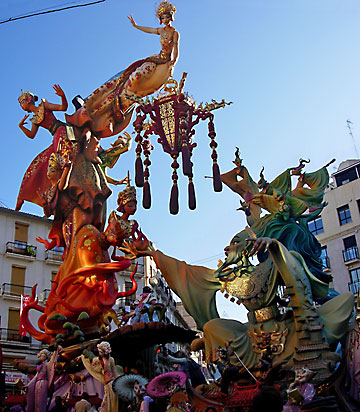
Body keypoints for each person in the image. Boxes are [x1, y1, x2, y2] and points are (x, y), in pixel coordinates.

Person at [66, 1, 179, 138]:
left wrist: (173, 62)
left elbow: (176, 49)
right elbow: (149, 30)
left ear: (171, 17)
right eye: (163, 18)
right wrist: (136, 25)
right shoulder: (160, 31)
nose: (165, 20)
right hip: (155, 58)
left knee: (140, 88)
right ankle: (90, 102)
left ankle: (116, 111)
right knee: (130, 73)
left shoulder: (175, 33)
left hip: (165, 62)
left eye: (167, 17)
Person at [16, 85, 75, 211]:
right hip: (55, 136)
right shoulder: (34, 119)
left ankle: (67, 177)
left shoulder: (44, 105)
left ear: (28, 100)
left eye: (21, 102)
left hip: (61, 130)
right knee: (41, 163)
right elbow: (32, 135)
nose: (21, 105)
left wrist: (63, 96)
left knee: (62, 159)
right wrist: (21, 126)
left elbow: (63, 107)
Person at [81, 342, 122, 412]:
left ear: (105, 352)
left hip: (111, 383)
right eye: (99, 351)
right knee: (106, 403)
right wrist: (82, 357)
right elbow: (94, 367)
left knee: (111, 403)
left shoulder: (111, 359)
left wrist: (119, 381)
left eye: (101, 352)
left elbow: (114, 371)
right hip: (106, 384)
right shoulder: (99, 360)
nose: (99, 353)